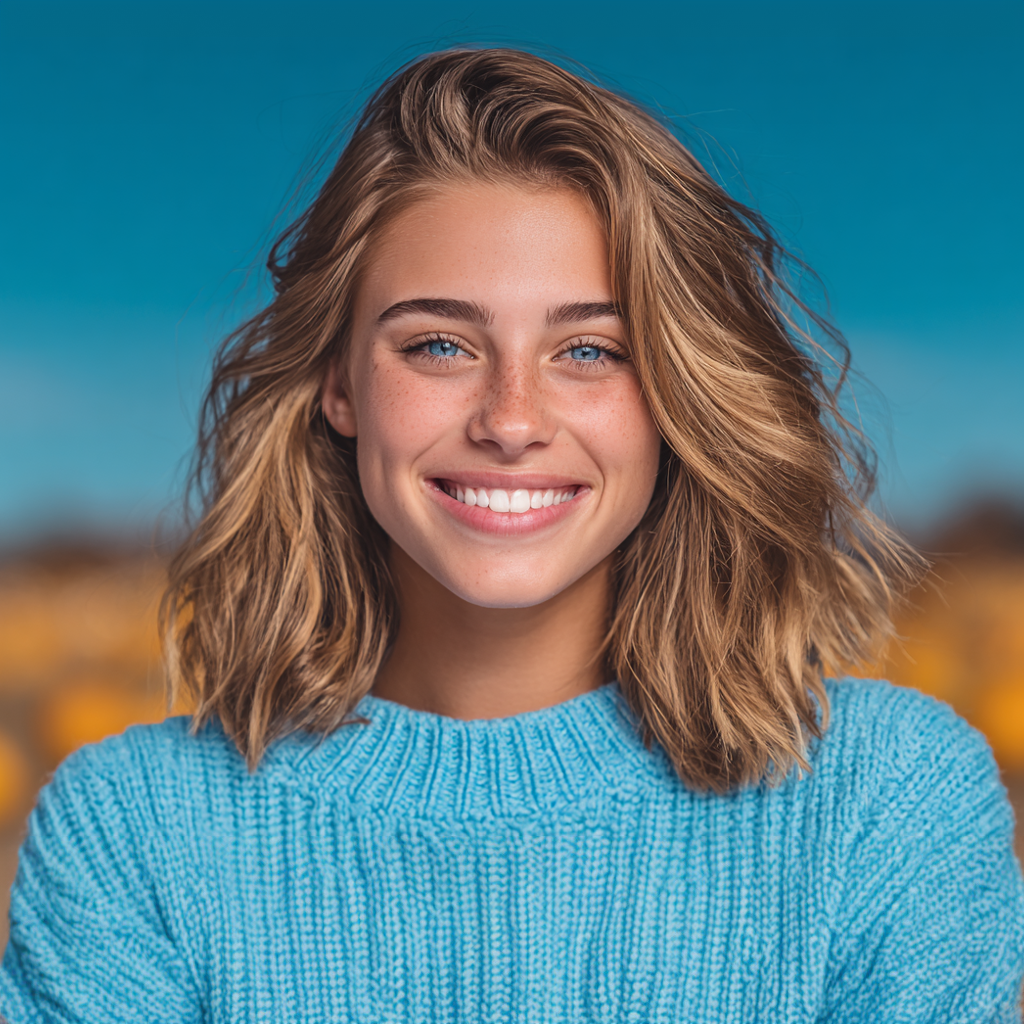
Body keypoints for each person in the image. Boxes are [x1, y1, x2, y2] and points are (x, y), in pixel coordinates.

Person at [2, 47, 1022, 1023]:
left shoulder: (884, 805)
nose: (511, 417)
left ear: (676, 392)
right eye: (439, 344)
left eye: (588, 349)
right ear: (338, 382)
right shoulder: (134, 833)